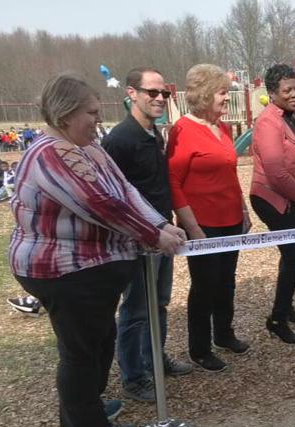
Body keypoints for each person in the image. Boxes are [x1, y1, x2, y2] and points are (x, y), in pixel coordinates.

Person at [8, 73, 187, 427]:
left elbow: (124, 191)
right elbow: (99, 204)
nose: (97, 120)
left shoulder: (87, 148)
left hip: (88, 270)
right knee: (81, 350)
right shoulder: (50, 154)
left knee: (99, 339)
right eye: (90, 112)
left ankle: (85, 406)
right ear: (65, 114)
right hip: (62, 271)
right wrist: (153, 234)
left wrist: (157, 224)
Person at [102, 67, 193, 403]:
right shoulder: (119, 140)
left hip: (164, 234)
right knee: (136, 309)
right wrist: (144, 231)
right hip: (137, 241)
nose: (159, 99)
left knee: (159, 304)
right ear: (132, 94)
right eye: (151, 92)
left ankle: (155, 359)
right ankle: (134, 375)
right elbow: (115, 198)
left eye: (164, 93)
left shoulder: (155, 133)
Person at [168, 64, 252, 372]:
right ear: (204, 94)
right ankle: (199, 347)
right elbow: (173, 181)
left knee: (226, 282)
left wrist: (242, 210)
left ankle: (224, 334)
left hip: (229, 217)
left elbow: (230, 174)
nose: (226, 100)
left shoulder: (224, 129)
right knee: (204, 285)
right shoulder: (182, 130)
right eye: (222, 93)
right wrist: (192, 226)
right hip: (202, 223)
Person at [250, 64, 295, 344]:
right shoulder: (268, 122)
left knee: (293, 256)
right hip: (271, 197)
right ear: (272, 94)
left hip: (294, 196)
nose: (294, 94)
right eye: (287, 90)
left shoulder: (294, 117)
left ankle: (286, 304)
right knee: (294, 255)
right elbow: (277, 174)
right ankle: (276, 320)